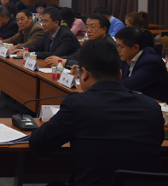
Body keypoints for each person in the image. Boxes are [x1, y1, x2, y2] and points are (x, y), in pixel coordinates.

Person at [29, 39, 164, 186]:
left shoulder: (77, 105)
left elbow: (37, 143)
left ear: (85, 74)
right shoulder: (152, 107)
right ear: (120, 75)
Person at [117, 27, 168, 102]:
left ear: (135, 48)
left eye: (120, 47)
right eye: (117, 46)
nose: (118, 50)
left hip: (156, 104)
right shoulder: (127, 57)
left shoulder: (151, 62)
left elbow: (128, 85)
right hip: (136, 100)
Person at [46, 13, 113, 68]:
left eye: (93, 27)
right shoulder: (88, 42)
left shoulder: (109, 46)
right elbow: (76, 56)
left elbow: (92, 66)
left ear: (104, 29)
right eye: (87, 27)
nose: (88, 30)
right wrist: (58, 59)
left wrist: (65, 62)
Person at [10, 7, 80, 59]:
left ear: (56, 23)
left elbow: (56, 54)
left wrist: (31, 54)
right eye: (42, 21)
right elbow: (38, 46)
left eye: (46, 21)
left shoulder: (66, 35)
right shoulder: (47, 32)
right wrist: (23, 49)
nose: (43, 24)